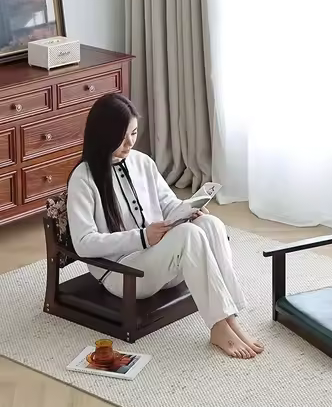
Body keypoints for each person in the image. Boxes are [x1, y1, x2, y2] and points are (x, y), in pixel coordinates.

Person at [67, 93, 263, 359]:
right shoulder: (83, 178)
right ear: (103, 135)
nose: (129, 143)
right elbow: (84, 243)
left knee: (210, 224)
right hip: (122, 273)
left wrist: (189, 211)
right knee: (187, 235)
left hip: (157, 264)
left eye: (134, 133)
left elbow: (169, 204)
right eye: (122, 137)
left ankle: (230, 319)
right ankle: (218, 326)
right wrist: (142, 237)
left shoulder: (142, 162)